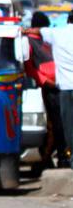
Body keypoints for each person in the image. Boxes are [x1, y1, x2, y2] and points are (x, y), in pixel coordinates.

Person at [26, 12, 65, 167]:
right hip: (44, 88)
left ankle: (59, 154)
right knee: (52, 124)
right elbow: (29, 68)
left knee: (60, 122)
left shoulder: (48, 40)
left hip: (61, 85)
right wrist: (44, 80)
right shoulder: (29, 42)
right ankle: (47, 158)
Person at [39, 10, 73, 168]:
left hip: (66, 89)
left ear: (68, 20)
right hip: (65, 89)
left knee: (68, 126)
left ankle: (71, 158)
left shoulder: (56, 33)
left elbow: (36, 31)